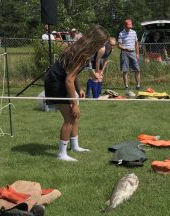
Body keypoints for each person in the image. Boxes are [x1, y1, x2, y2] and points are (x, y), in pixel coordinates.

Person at [44, 25, 110, 162]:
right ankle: (61, 154)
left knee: (76, 116)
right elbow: (69, 79)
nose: (103, 45)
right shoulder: (81, 53)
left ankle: (75, 146)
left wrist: (78, 89)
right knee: (69, 117)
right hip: (56, 82)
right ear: (95, 41)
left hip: (62, 80)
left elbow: (73, 74)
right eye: (102, 42)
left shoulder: (83, 50)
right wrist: (74, 104)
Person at [118, 19, 141, 90]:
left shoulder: (134, 32)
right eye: (128, 26)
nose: (129, 28)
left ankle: (138, 86)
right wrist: (125, 48)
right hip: (124, 53)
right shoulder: (121, 33)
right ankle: (126, 86)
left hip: (133, 52)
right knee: (125, 70)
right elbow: (119, 45)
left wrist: (137, 53)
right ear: (124, 26)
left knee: (137, 69)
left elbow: (136, 43)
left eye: (130, 26)